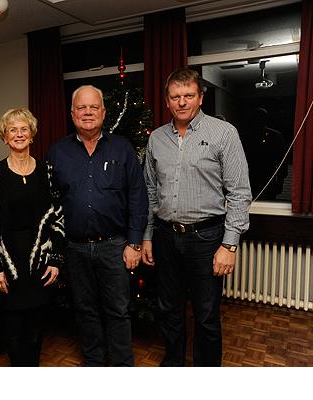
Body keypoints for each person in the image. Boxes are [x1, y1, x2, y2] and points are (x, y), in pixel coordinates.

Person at [141, 68, 252, 366]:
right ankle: (174, 364)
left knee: (206, 314)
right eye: (175, 96)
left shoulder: (223, 133)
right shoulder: (157, 139)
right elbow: (150, 190)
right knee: (169, 309)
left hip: (207, 238)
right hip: (165, 236)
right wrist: (148, 236)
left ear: (200, 97)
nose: (182, 102)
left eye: (188, 95)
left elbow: (239, 192)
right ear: (167, 101)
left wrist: (229, 245)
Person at [47, 85, 148, 367]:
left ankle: (122, 365)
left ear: (103, 112)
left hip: (114, 246)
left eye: (94, 107)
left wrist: (134, 243)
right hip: (75, 248)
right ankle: (94, 363)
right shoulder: (57, 152)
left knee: (118, 310)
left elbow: (138, 197)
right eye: (82, 107)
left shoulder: (122, 148)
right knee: (85, 310)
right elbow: (50, 203)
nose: (88, 112)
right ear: (72, 114)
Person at [0, 108, 65, 366]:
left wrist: (56, 259)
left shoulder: (47, 171)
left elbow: (58, 217)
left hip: (40, 261)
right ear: (4, 137)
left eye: (24, 129)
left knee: (36, 327)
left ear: (32, 135)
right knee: (13, 329)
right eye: (12, 130)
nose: (19, 134)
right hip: (8, 263)